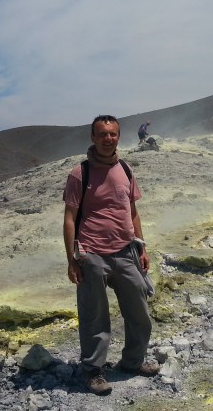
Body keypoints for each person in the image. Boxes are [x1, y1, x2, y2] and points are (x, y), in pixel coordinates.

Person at [63, 115, 159, 395]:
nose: (108, 139)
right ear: (93, 137)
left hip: (126, 251)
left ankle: (133, 361)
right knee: (95, 316)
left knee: (139, 313)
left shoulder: (126, 169)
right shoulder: (80, 173)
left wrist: (142, 247)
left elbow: (133, 211)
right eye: (102, 134)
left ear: (119, 136)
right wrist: (72, 259)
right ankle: (93, 371)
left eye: (113, 134)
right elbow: (70, 218)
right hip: (91, 254)